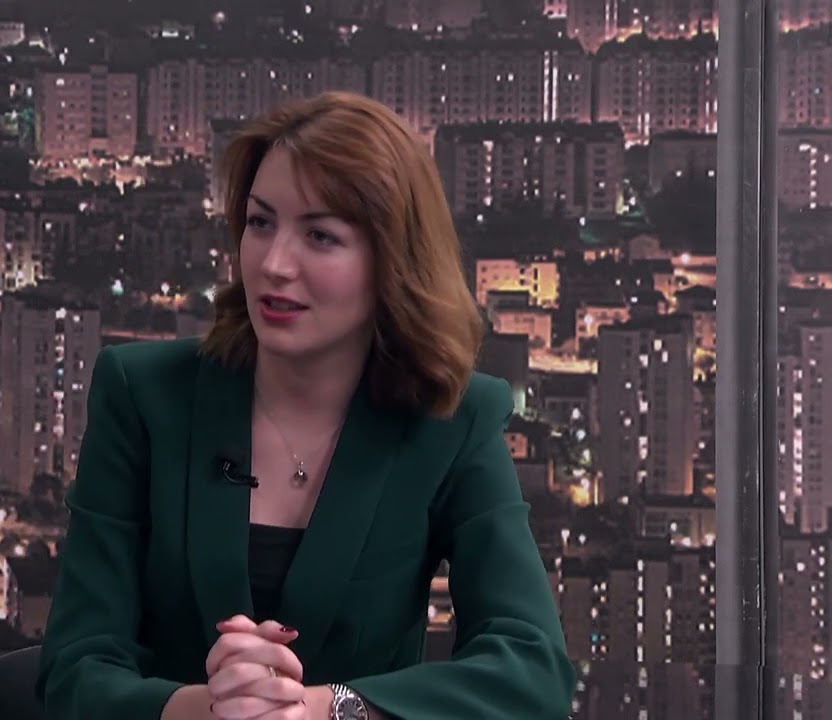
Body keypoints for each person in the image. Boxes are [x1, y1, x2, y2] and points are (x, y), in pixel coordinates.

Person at [35, 91, 574, 720]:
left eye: (320, 235)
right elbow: (75, 668)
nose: (274, 263)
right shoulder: (143, 395)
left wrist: (323, 709)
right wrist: (212, 709)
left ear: (393, 260)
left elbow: (533, 670)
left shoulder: (450, 419)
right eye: (260, 223)